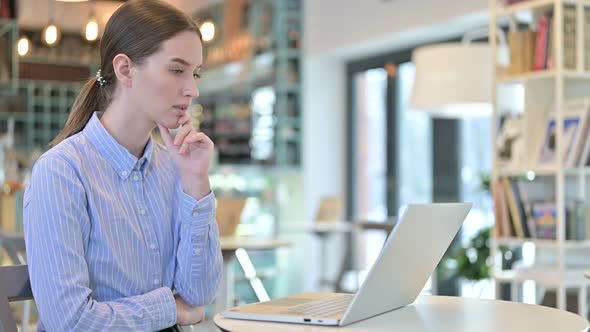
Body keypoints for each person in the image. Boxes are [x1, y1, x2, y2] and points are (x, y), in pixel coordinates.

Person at [23, 0, 222, 331]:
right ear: (125, 69)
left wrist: (196, 182)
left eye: (195, 73)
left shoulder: (175, 169)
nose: (193, 89)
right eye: (177, 70)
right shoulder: (61, 173)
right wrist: (170, 309)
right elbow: (70, 322)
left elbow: (198, 293)